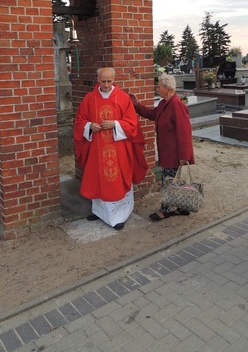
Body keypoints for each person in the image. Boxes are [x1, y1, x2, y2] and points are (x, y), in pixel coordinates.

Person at [74, 67, 148, 230]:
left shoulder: (123, 98)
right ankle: (100, 212)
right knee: (97, 179)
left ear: (114, 80)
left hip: (118, 148)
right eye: (103, 81)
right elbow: (80, 121)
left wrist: (115, 124)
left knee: (117, 181)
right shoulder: (89, 98)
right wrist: (89, 126)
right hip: (97, 149)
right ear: (97, 79)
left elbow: (132, 123)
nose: (106, 84)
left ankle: (119, 216)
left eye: (109, 81)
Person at [130, 73, 195, 221]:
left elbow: (184, 132)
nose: (157, 89)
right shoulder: (164, 103)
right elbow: (152, 114)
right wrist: (136, 105)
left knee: (168, 180)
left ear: (167, 88)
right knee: (173, 180)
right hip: (167, 151)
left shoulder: (177, 105)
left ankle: (165, 210)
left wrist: (184, 156)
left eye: (159, 86)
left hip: (174, 153)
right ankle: (181, 207)